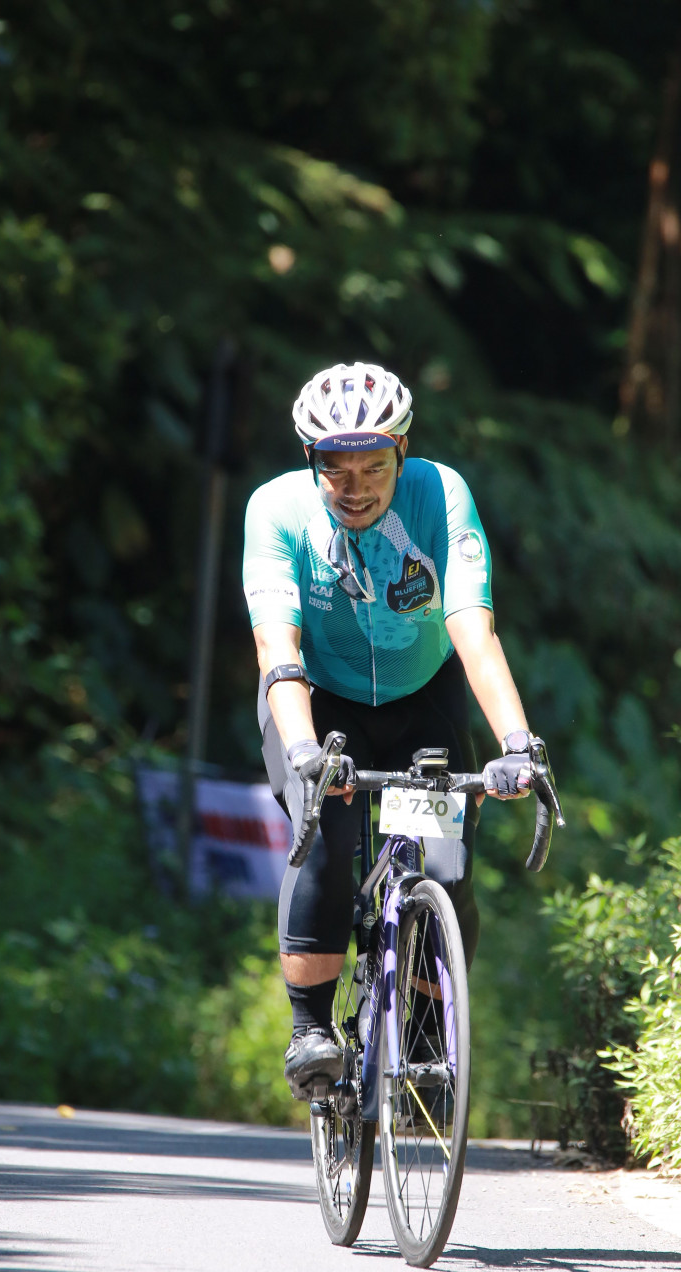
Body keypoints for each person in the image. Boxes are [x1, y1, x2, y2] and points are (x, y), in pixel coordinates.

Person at [243, 360, 538, 1101]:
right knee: (328, 834)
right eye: (335, 469)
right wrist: (304, 752)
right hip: (316, 698)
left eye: (374, 466)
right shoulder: (276, 510)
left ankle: (428, 1041)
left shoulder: (439, 494)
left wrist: (517, 744)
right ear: (310, 459)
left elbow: (473, 631)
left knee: (447, 867)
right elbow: (276, 648)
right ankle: (311, 1029)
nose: (356, 487)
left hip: (421, 693)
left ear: (402, 453)